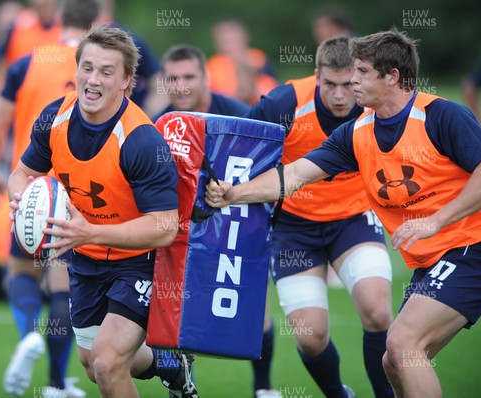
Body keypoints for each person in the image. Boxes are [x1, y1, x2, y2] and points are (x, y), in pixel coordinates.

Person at [206, 29, 481, 398]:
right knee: (393, 360)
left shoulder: (441, 115)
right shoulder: (356, 132)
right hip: (405, 254)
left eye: (362, 72)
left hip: (468, 247)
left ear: (392, 77)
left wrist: (436, 220)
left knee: (401, 343)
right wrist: (234, 193)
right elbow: (297, 174)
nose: (352, 81)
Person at [8, 25, 198, 398]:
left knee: (107, 363)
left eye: (107, 72)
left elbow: (163, 227)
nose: (93, 80)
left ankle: (166, 364)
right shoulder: (55, 118)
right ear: (76, 69)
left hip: (139, 261)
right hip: (85, 260)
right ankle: (171, 366)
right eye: (88, 68)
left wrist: (89, 232)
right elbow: (23, 174)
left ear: (127, 81)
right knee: (93, 366)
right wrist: (22, 203)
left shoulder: (142, 140)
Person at [246, 36, 394, 398]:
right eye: (330, 84)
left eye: (349, 84)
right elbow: (244, 154)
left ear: (360, 78)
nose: (340, 95)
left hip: (353, 218)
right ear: (317, 76)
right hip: (295, 227)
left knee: (377, 309)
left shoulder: (373, 104)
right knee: (310, 336)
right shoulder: (283, 103)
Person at [0, 0, 99, 396]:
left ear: (60, 22)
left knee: (22, 270)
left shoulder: (27, 62)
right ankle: (55, 383)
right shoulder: (101, 70)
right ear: (96, 23)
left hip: (29, 188)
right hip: (79, 193)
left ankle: (28, 333)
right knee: (62, 282)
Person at [155, 44, 278, 398]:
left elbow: (270, 170)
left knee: (257, 306)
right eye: (173, 78)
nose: (181, 86)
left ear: (207, 78)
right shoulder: (161, 125)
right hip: (183, 229)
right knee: (181, 307)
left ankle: (264, 387)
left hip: (242, 219)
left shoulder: (242, 119)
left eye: (189, 76)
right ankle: (183, 385)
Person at [95, 0, 166, 117]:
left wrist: (142, 120)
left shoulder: (130, 41)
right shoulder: (62, 35)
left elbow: (160, 85)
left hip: (122, 126)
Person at [207, 17, 278, 105]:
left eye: (232, 39)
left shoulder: (259, 60)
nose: (228, 43)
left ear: (244, 36)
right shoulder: (212, 66)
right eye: (224, 40)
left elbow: (274, 94)